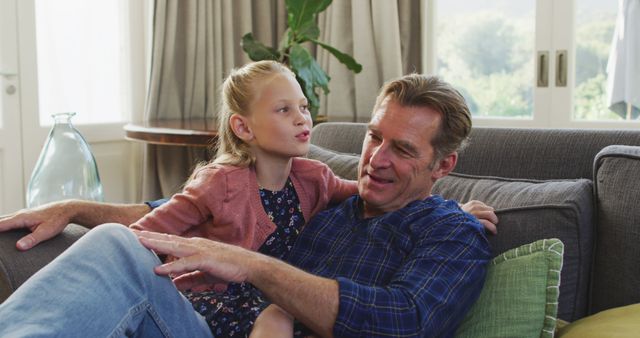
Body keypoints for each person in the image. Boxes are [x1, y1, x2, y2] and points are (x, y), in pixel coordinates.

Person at [0, 73, 495, 337]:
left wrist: (255, 267)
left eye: (403, 150)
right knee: (114, 245)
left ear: (443, 165)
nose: (375, 161)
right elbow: (190, 208)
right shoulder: (329, 196)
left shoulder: (451, 234)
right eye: (373, 138)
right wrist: (74, 207)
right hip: (211, 325)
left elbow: (405, 322)